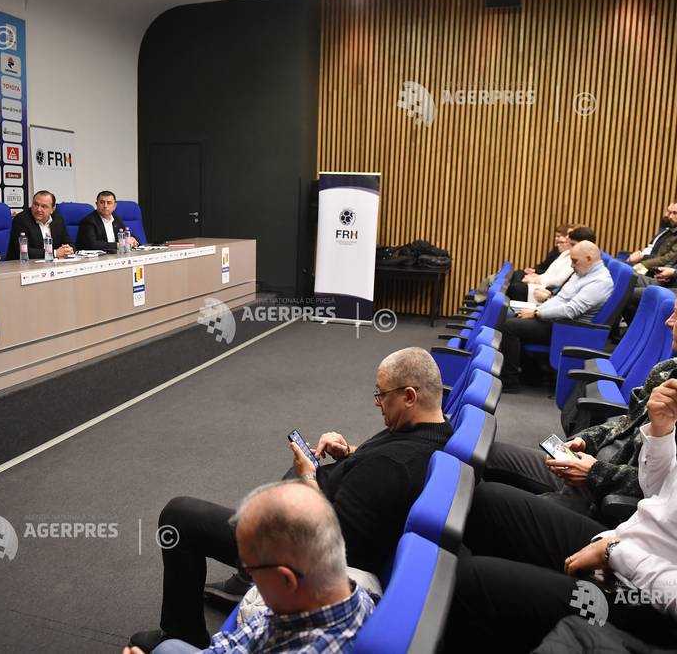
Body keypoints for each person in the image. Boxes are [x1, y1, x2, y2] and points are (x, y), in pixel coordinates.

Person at [441, 302, 677, 653]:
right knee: (488, 504)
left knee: (470, 582)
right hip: (627, 547)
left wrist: (616, 553)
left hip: (650, 609)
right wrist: (661, 431)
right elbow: (659, 494)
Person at [129, 347, 451, 651]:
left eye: (381, 394)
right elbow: (377, 470)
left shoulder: (394, 466)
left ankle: (181, 632)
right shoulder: (426, 431)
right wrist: (351, 453)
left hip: (298, 543)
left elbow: (329, 539)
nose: (377, 402)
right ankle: (247, 577)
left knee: (179, 516)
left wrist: (309, 475)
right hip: (313, 510)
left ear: (409, 396)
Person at [484, 273, 677, 520]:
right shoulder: (669, 370)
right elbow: (627, 422)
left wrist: (594, 474)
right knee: (486, 454)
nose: (668, 322)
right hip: (593, 470)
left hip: (608, 502)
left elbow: (670, 487)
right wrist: (586, 439)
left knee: (490, 504)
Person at [125, 481, 376, 654]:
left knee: (166, 649)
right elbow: (255, 632)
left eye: (250, 568)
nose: (247, 575)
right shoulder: (341, 593)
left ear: (286, 580)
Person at [501, 241, 614, 390]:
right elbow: (560, 299)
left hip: (569, 329)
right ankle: (530, 376)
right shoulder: (582, 273)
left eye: (574, 261)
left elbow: (571, 310)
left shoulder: (600, 282)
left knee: (510, 326)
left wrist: (536, 313)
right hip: (558, 322)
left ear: (589, 258)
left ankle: (511, 381)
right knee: (512, 316)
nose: (572, 266)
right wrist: (537, 309)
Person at [508, 226, 595, 304]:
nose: (569, 245)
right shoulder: (570, 254)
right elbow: (552, 274)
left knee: (515, 288)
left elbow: (562, 286)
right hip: (551, 296)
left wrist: (546, 299)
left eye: (573, 244)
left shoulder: (582, 263)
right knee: (516, 281)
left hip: (550, 295)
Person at [626, 199, 677, 271]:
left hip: (659, 270)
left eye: (675, 213)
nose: (670, 216)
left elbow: (669, 258)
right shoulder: (674, 227)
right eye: (670, 212)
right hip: (651, 262)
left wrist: (641, 264)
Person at [5, 190, 74, 260]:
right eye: (36, 204)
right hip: (24, 265)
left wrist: (68, 249)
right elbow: (23, 251)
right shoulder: (21, 220)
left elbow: (69, 243)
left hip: (52, 264)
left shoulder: (58, 220)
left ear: (52, 209)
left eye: (44, 206)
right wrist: (55, 253)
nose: (38, 209)